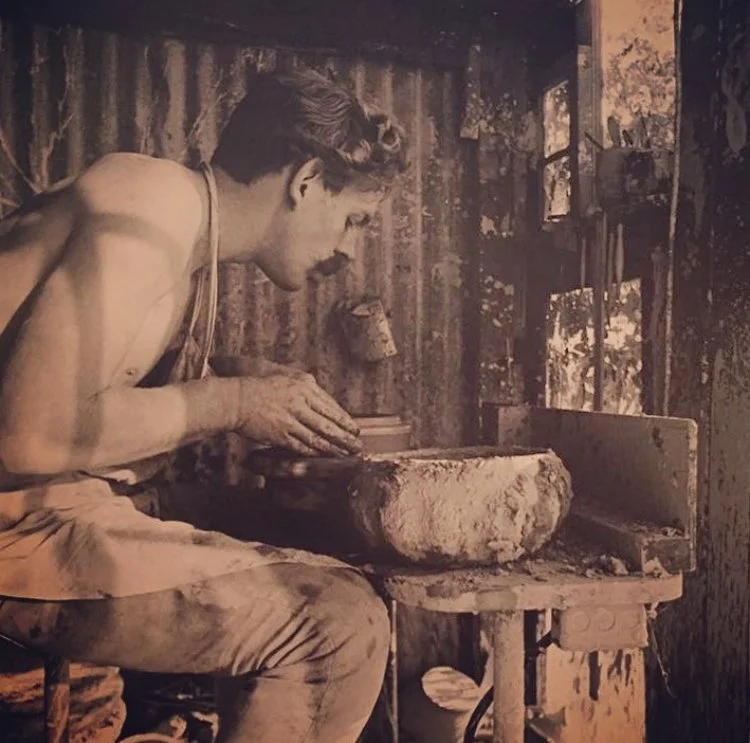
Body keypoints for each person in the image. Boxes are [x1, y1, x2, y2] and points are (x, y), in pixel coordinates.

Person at [0, 68, 408, 742]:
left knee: (317, 573)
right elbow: (26, 432)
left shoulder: (182, 228)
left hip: (31, 513)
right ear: (305, 182)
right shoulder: (151, 207)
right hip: (18, 523)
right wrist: (234, 400)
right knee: (338, 625)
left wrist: (228, 371)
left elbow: (76, 367)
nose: (349, 250)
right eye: (355, 221)